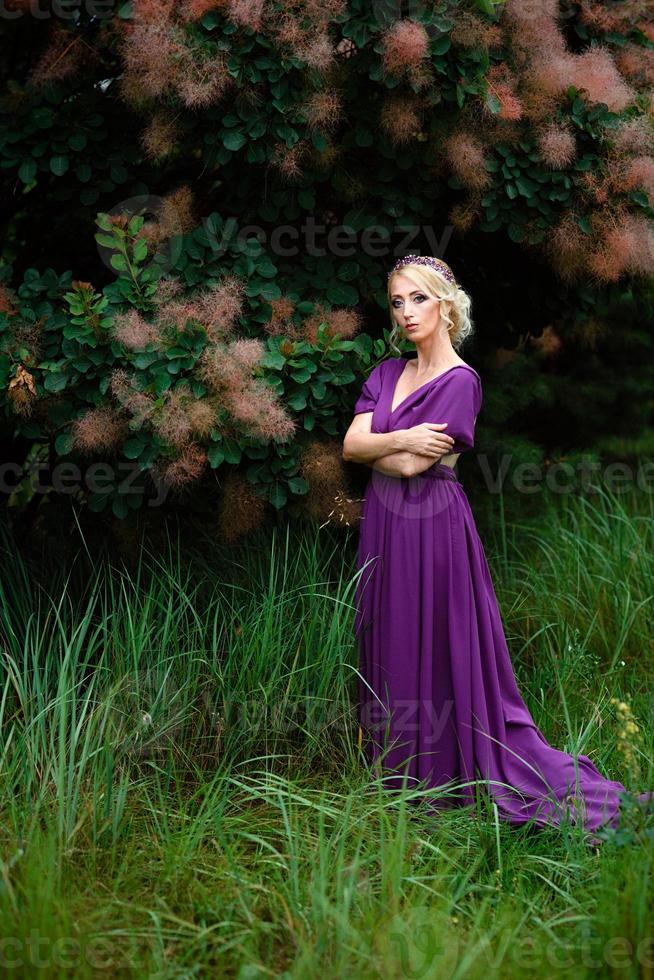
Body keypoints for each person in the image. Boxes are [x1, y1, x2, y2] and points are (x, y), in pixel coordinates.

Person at [342, 253, 652, 844]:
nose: (407, 312)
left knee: (436, 637)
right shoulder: (386, 372)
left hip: (433, 529)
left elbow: (407, 465)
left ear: (447, 306)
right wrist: (402, 434)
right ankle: (401, 772)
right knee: (390, 632)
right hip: (384, 524)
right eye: (398, 302)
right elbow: (353, 447)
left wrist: (388, 443)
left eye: (419, 299)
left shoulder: (461, 382)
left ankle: (450, 771)